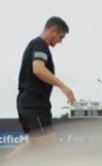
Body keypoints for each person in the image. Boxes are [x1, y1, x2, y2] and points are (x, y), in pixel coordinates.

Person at [14, 16, 76, 151]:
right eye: (61, 37)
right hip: (34, 104)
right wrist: (64, 87)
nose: (60, 42)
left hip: (27, 103)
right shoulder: (40, 44)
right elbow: (38, 69)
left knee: (33, 146)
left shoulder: (35, 45)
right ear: (53, 30)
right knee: (50, 150)